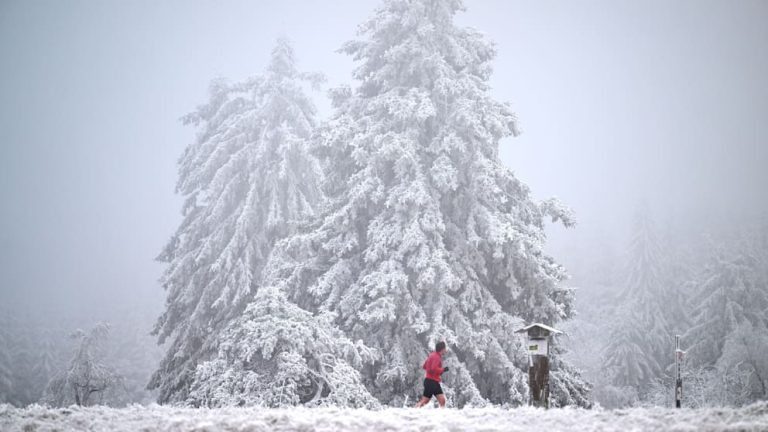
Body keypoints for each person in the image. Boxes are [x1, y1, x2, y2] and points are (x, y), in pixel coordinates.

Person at [415, 341, 449, 408]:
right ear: (442, 349)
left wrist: (436, 372)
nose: (446, 350)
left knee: (442, 400)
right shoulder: (436, 357)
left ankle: (442, 415)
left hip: (433, 381)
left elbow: (425, 366)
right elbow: (433, 369)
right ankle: (413, 411)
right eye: (445, 348)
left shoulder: (432, 355)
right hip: (431, 382)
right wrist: (443, 370)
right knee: (425, 400)